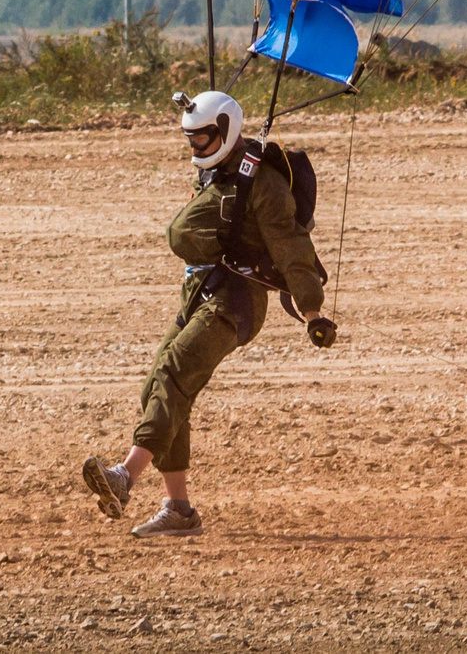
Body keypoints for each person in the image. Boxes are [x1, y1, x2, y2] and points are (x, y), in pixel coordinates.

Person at [80, 90, 325, 538]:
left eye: (204, 139)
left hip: (235, 302)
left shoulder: (263, 182)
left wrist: (311, 311)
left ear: (227, 132)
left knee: (174, 371)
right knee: (160, 383)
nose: (196, 149)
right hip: (199, 291)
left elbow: (292, 247)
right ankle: (178, 509)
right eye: (190, 140)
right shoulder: (216, 171)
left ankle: (124, 476)